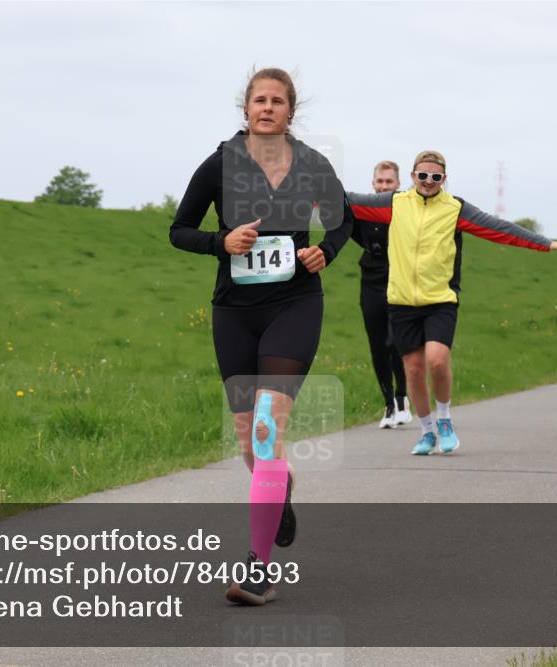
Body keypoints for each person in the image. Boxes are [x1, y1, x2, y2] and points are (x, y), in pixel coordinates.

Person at [169, 67, 352, 604]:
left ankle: (259, 569)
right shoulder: (220, 164)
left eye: (276, 101)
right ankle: (280, 485)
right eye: (259, 100)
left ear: (291, 111)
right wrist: (220, 242)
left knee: (268, 431)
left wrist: (326, 251)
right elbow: (179, 230)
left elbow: (343, 221)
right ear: (245, 109)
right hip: (234, 311)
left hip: (294, 305)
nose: (267, 108)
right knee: (250, 440)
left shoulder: (312, 164)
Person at [347, 150, 557, 455]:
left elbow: (499, 228)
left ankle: (444, 420)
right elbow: (343, 200)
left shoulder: (455, 209)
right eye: (422, 175)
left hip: (440, 299)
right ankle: (427, 432)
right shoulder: (395, 204)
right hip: (402, 301)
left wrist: (544, 243)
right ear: (413, 176)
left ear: (444, 179)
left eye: (435, 177)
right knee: (414, 370)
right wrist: (299, 188)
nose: (428, 181)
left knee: (437, 359)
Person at [351, 160, 411, 428]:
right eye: (380, 181)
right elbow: (352, 233)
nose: (384, 186)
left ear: (398, 184)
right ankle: (388, 405)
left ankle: (402, 398)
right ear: (373, 183)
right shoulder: (362, 209)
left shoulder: (406, 209)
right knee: (377, 344)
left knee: (395, 341)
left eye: (389, 181)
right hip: (371, 280)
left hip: (400, 279)